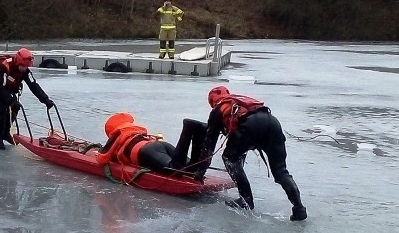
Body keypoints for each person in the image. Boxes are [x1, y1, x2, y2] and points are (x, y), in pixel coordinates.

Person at [194, 86, 307, 221]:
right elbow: (241, 145)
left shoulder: (218, 109)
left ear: (212, 100)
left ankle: (246, 199)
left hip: (251, 125)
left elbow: (209, 145)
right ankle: (299, 208)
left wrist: (200, 172)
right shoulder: (239, 102)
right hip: (272, 122)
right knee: (281, 170)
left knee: (229, 158)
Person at [0, 48, 55, 150]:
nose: (24, 69)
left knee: (15, 108)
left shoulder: (25, 70)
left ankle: (5, 133)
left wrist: (45, 100)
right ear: (18, 62)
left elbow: (33, 85)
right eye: (23, 66)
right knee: (2, 109)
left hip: (4, 88)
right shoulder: (3, 66)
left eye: (26, 66)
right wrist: (11, 101)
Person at [95, 112, 200, 175]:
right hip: (160, 145)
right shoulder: (135, 130)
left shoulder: (117, 133)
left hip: (146, 151)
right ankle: (199, 132)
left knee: (173, 169)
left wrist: (100, 152)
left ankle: (188, 128)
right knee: (191, 166)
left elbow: (102, 159)